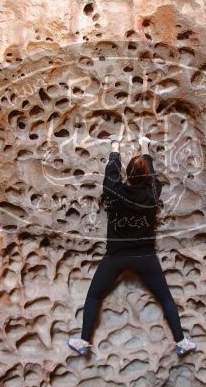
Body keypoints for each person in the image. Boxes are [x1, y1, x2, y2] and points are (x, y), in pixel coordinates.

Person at [69, 127, 197, 357]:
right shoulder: (152, 193)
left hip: (116, 256)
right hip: (145, 256)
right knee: (165, 298)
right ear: (147, 178)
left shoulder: (114, 191)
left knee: (94, 295)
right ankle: (181, 341)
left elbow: (112, 172)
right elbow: (152, 176)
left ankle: (84, 341)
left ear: (127, 174)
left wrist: (115, 146)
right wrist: (145, 146)